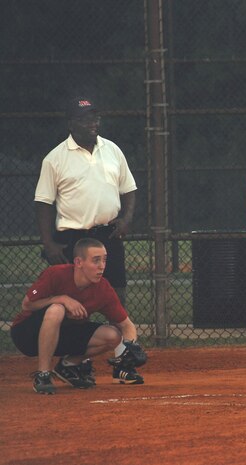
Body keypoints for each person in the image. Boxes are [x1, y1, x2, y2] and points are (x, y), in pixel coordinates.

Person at [35, 96, 136, 307]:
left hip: (108, 235)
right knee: (71, 300)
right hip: (73, 239)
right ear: (71, 124)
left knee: (116, 297)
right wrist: (49, 244)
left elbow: (128, 189)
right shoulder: (54, 158)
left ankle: (121, 339)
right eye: (85, 120)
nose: (93, 124)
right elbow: (43, 203)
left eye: (95, 118)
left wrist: (126, 219)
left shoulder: (112, 150)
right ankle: (73, 339)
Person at [10, 238, 147, 394]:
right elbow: (27, 304)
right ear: (79, 262)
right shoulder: (56, 273)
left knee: (113, 335)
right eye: (96, 260)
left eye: (104, 260)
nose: (102, 266)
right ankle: (43, 374)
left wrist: (130, 346)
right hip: (27, 334)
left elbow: (126, 325)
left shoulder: (103, 288)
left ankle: (67, 366)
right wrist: (61, 298)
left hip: (62, 335)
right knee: (57, 309)